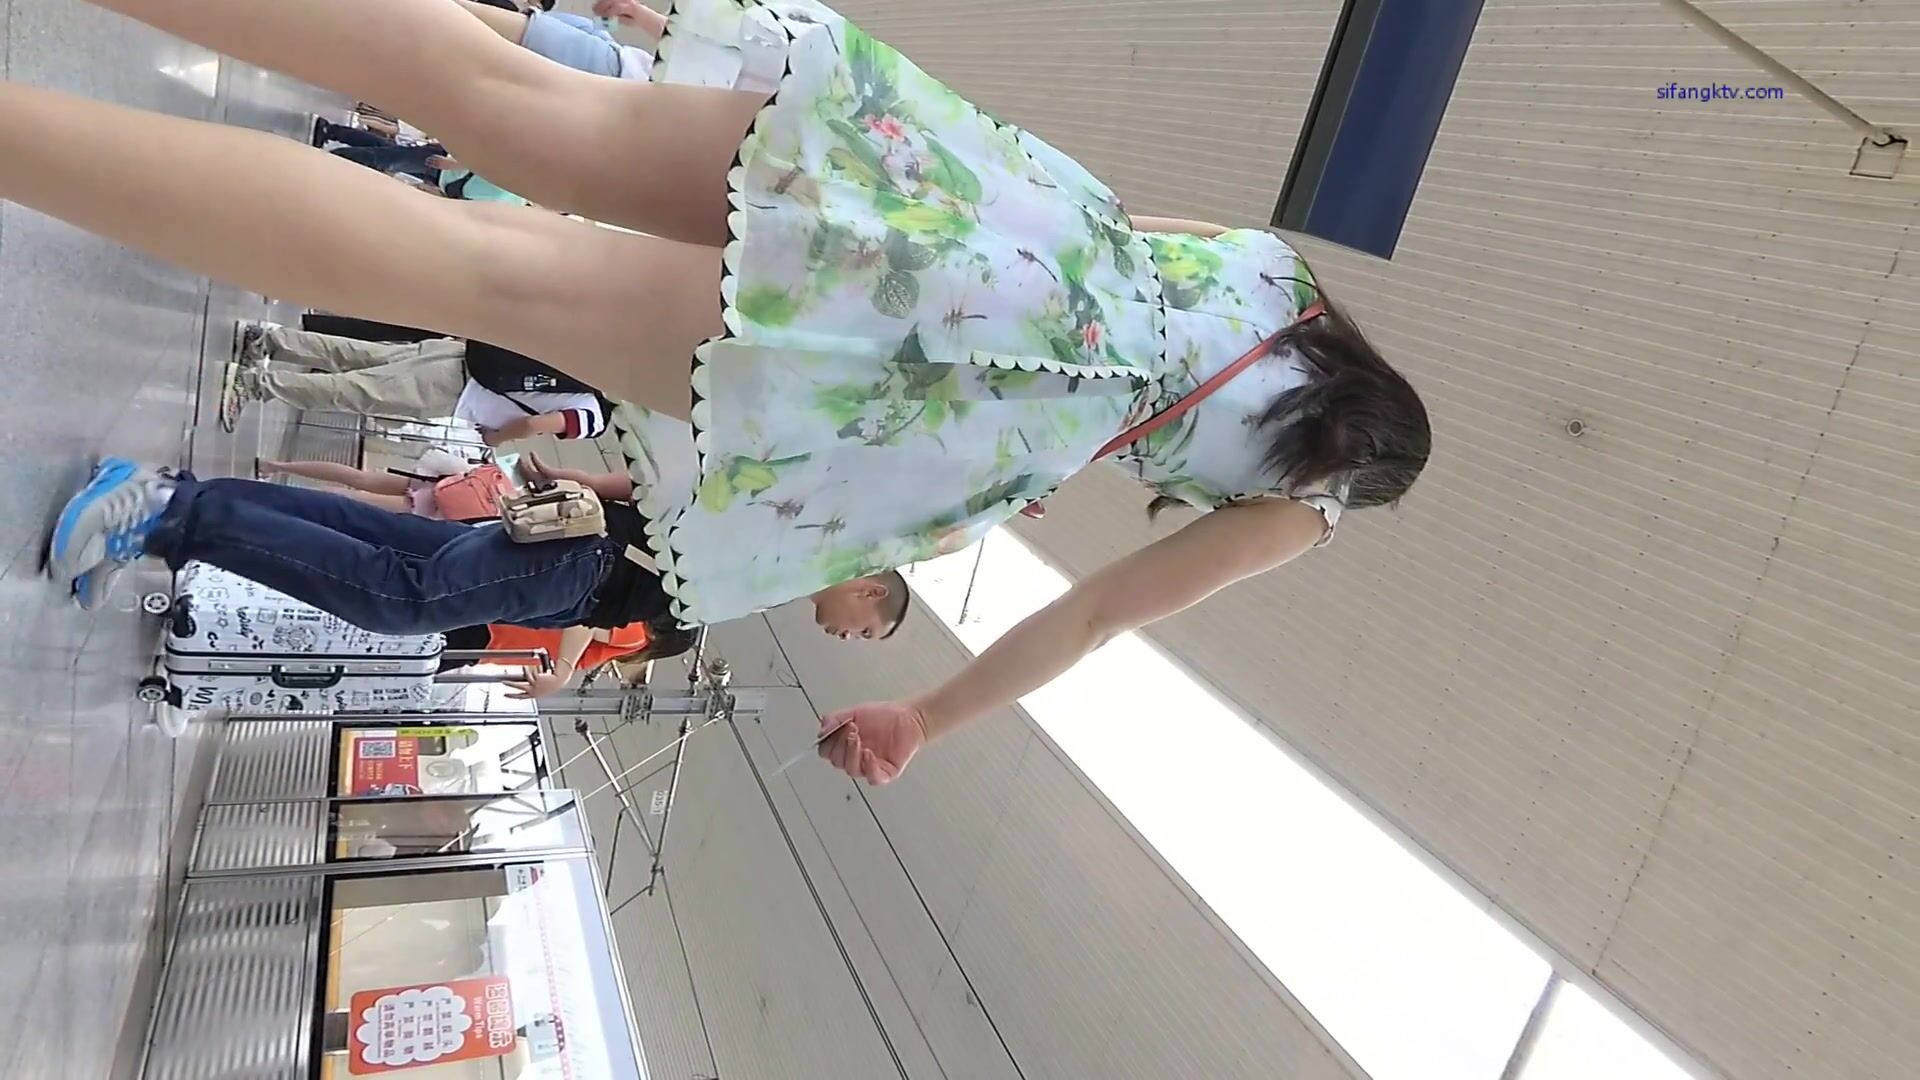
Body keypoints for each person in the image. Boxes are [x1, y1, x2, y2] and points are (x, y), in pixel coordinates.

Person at [4, 0, 1430, 786]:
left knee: (496, 92)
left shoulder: (1281, 273)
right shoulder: (1305, 507)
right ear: (1350, 470)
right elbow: (1100, 612)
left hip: (960, 199)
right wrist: (927, 717)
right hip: (939, 365)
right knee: (476, 266)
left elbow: (1104, 246)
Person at [46, 457, 915, 642]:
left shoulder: (789, 562)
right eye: (866, 630)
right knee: (398, 599)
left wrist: (590, 485)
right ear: (872, 588)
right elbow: (705, 484)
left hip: (584, 557)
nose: (849, 637)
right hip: (585, 565)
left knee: (379, 541)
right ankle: (162, 512)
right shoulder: (815, 543)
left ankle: (178, 503)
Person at [220, 321, 608, 446]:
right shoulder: (594, 416)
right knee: (353, 392)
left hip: (462, 355)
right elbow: (535, 424)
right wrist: (498, 438)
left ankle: (266, 340)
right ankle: (254, 384)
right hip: (455, 392)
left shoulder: (595, 366)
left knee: (355, 354)